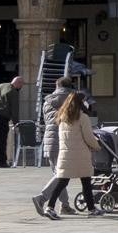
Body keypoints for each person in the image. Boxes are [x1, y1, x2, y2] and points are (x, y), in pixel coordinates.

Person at [43, 92, 105, 219]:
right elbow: (89, 137)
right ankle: (91, 209)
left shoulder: (62, 117)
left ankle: (49, 207)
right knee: (86, 181)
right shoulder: (82, 117)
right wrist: (97, 146)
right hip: (80, 154)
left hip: (66, 154)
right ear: (81, 103)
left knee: (62, 182)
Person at [33, 76, 78, 216]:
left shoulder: (47, 101)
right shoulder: (72, 99)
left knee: (59, 174)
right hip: (65, 139)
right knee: (62, 174)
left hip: (49, 140)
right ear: (71, 86)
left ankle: (65, 205)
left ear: (56, 85)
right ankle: (42, 198)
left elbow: (48, 121)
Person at [0, 76, 24, 168]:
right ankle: (2, 162)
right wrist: (16, 123)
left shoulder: (1, 85)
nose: (22, 87)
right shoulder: (13, 92)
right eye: (21, 84)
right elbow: (15, 109)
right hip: (1, 117)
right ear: (18, 84)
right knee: (1, 139)